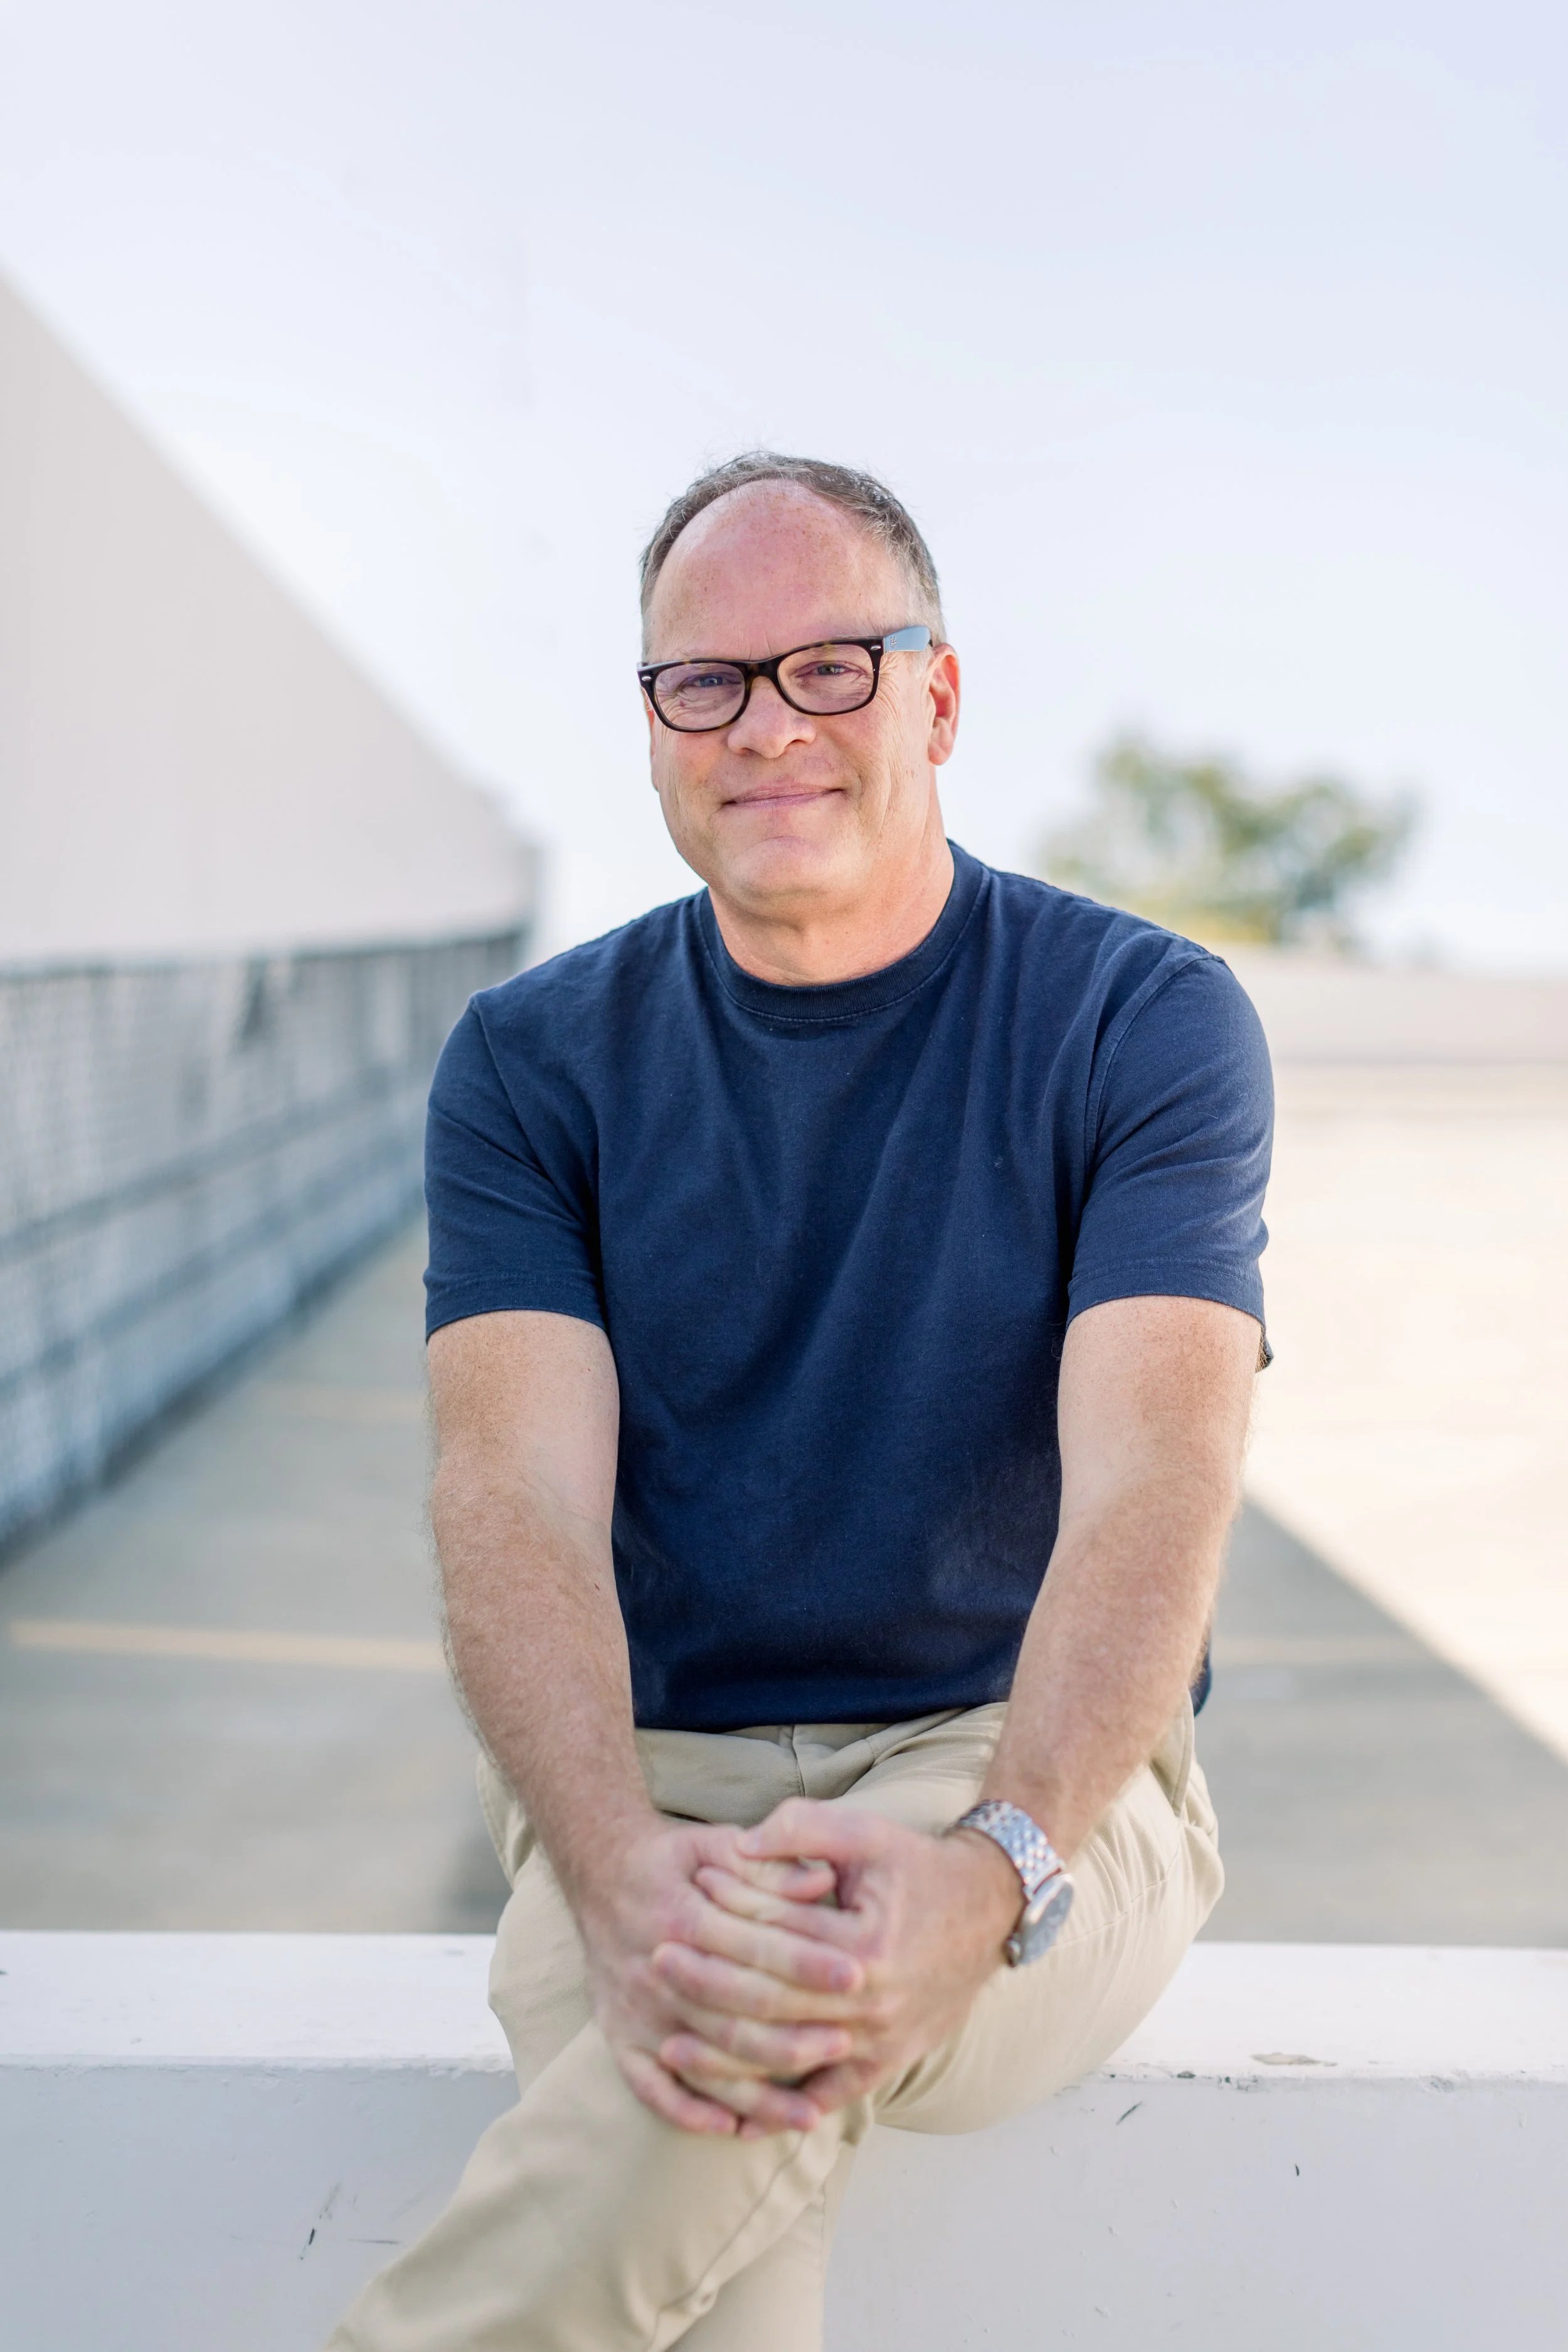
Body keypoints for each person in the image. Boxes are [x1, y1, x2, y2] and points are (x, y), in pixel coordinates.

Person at [329, 452, 1271, 2352]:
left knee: (761, 2014)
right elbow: (507, 1488)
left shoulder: (1138, 1018)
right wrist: (604, 1863)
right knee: (727, 2229)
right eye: (708, 681)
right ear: (654, 725)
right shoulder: (534, 1062)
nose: (766, 726)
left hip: (1021, 1768)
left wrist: (992, 1863)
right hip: (649, 1779)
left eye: (829, 666)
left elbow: (1156, 1483)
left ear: (934, 693)